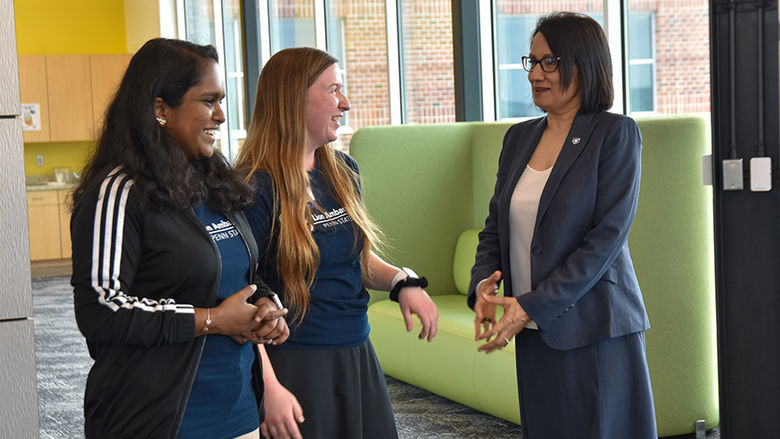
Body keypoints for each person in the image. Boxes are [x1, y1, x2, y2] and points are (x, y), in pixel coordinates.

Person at [70, 38, 290, 439]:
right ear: (160, 109)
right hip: (159, 419)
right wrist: (212, 321)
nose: (221, 115)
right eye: (208, 101)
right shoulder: (119, 192)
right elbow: (101, 309)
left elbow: (242, 277)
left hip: (237, 410)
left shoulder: (216, 183)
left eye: (221, 100)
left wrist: (264, 306)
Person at [235, 47, 439, 439]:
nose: (344, 103)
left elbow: (355, 260)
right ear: (293, 100)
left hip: (356, 352)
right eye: (334, 90)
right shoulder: (254, 186)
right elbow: (243, 296)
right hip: (295, 363)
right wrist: (269, 388)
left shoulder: (343, 170)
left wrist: (402, 282)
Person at [469, 12, 657, 438]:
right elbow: (495, 227)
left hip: (594, 330)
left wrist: (532, 305)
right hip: (533, 330)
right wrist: (483, 283)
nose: (535, 73)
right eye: (531, 61)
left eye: (549, 62)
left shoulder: (616, 134)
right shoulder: (518, 137)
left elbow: (605, 241)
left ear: (583, 64)